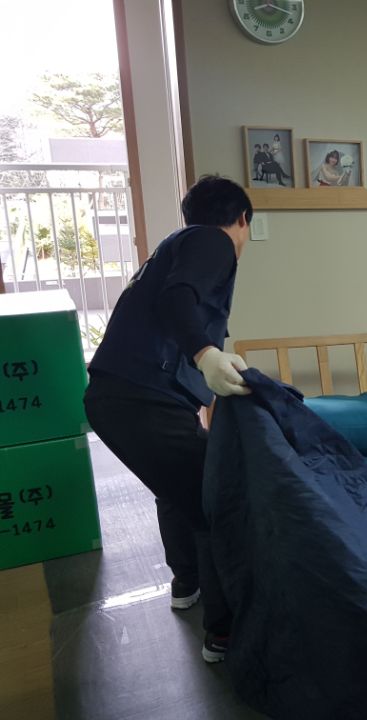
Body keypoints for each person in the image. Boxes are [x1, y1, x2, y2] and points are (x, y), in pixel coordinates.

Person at [84, 175, 253, 662]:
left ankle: (187, 582)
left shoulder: (171, 246)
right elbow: (177, 300)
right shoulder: (214, 242)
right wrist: (205, 354)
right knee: (215, 500)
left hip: (113, 398)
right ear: (242, 220)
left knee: (177, 488)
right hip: (144, 400)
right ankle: (223, 633)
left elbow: (173, 306)